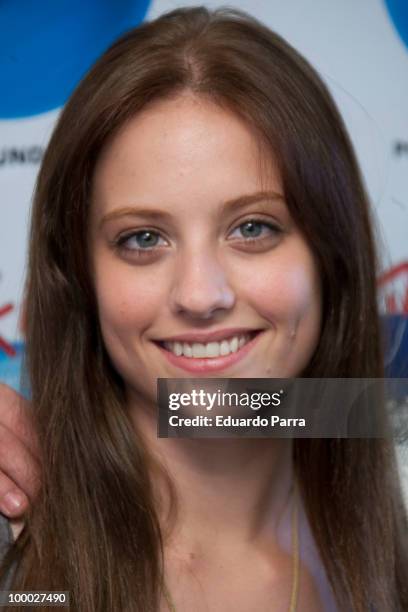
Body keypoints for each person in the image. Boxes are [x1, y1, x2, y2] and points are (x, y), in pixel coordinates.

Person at [0, 5, 407, 611]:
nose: (199, 295)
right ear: (79, 276)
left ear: (331, 255)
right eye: (143, 238)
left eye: (252, 228)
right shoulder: (20, 561)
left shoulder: (379, 480)